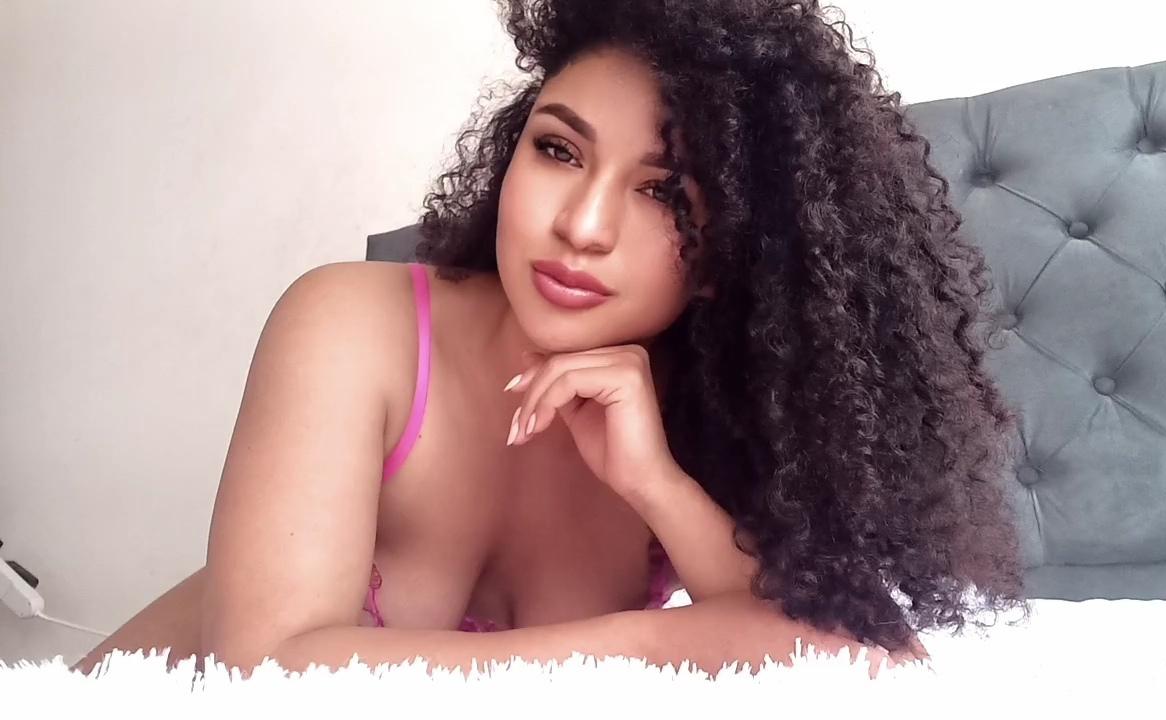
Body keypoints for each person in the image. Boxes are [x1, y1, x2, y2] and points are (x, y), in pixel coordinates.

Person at [75, 0, 1030, 679]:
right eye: (559, 150)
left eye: (662, 191)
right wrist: (654, 645)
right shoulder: (351, 325)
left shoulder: (705, 419)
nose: (581, 224)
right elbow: (264, 673)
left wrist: (656, 485)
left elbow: (869, 661)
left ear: (729, 249)